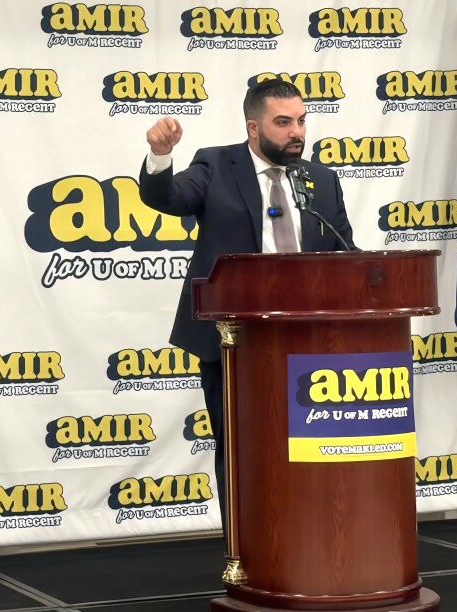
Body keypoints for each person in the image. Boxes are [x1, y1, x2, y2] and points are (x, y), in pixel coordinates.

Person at [138, 78, 354, 534]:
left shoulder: (322, 179)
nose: (297, 132)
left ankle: (314, 541)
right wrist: (159, 158)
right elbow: (168, 198)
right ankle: (247, 547)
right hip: (233, 341)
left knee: (313, 445)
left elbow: (344, 255)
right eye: (283, 122)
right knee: (240, 447)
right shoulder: (216, 165)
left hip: (311, 344)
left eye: (301, 121)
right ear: (253, 129)